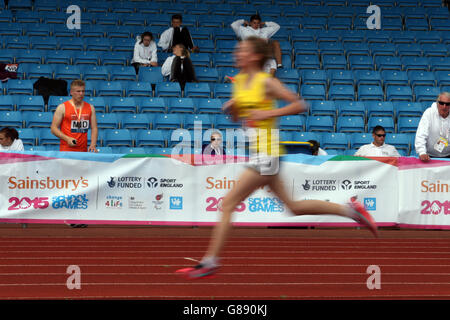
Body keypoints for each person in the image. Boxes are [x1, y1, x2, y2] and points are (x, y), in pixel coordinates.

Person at [176, 37, 378, 280]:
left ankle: (210, 261)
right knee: (293, 207)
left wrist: (268, 112)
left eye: (243, 50)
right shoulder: (239, 81)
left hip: (267, 155)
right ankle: (351, 211)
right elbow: (243, 117)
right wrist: (234, 110)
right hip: (259, 153)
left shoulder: (266, 82)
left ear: (254, 57)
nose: (237, 53)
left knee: (228, 203)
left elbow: (299, 104)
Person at [415, 92, 450, 161]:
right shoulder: (429, 113)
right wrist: (422, 152)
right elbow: (421, 134)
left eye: (448, 104)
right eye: (441, 103)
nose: (444, 106)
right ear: (437, 103)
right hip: (429, 156)